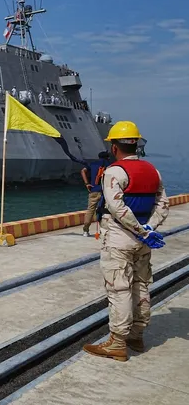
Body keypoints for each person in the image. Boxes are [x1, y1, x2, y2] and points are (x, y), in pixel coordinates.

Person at [82, 121, 169, 362]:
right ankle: (136, 336)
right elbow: (163, 204)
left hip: (119, 239)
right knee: (141, 284)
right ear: (137, 144)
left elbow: (116, 208)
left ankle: (118, 342)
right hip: (143, 242)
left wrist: (140, 230)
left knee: (119, 288)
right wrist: (149, 229)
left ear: (114, 147)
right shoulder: (153, 171)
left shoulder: (114, 172)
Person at [80, 151, 111, 237]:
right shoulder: (110, 165)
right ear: (107, 157)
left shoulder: (93, 164)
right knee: (107, 210)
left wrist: (87, 183)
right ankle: (104, 230)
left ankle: (85, 230)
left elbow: (83, 171)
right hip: (105, 192)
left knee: (90, 210)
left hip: (94, 190)